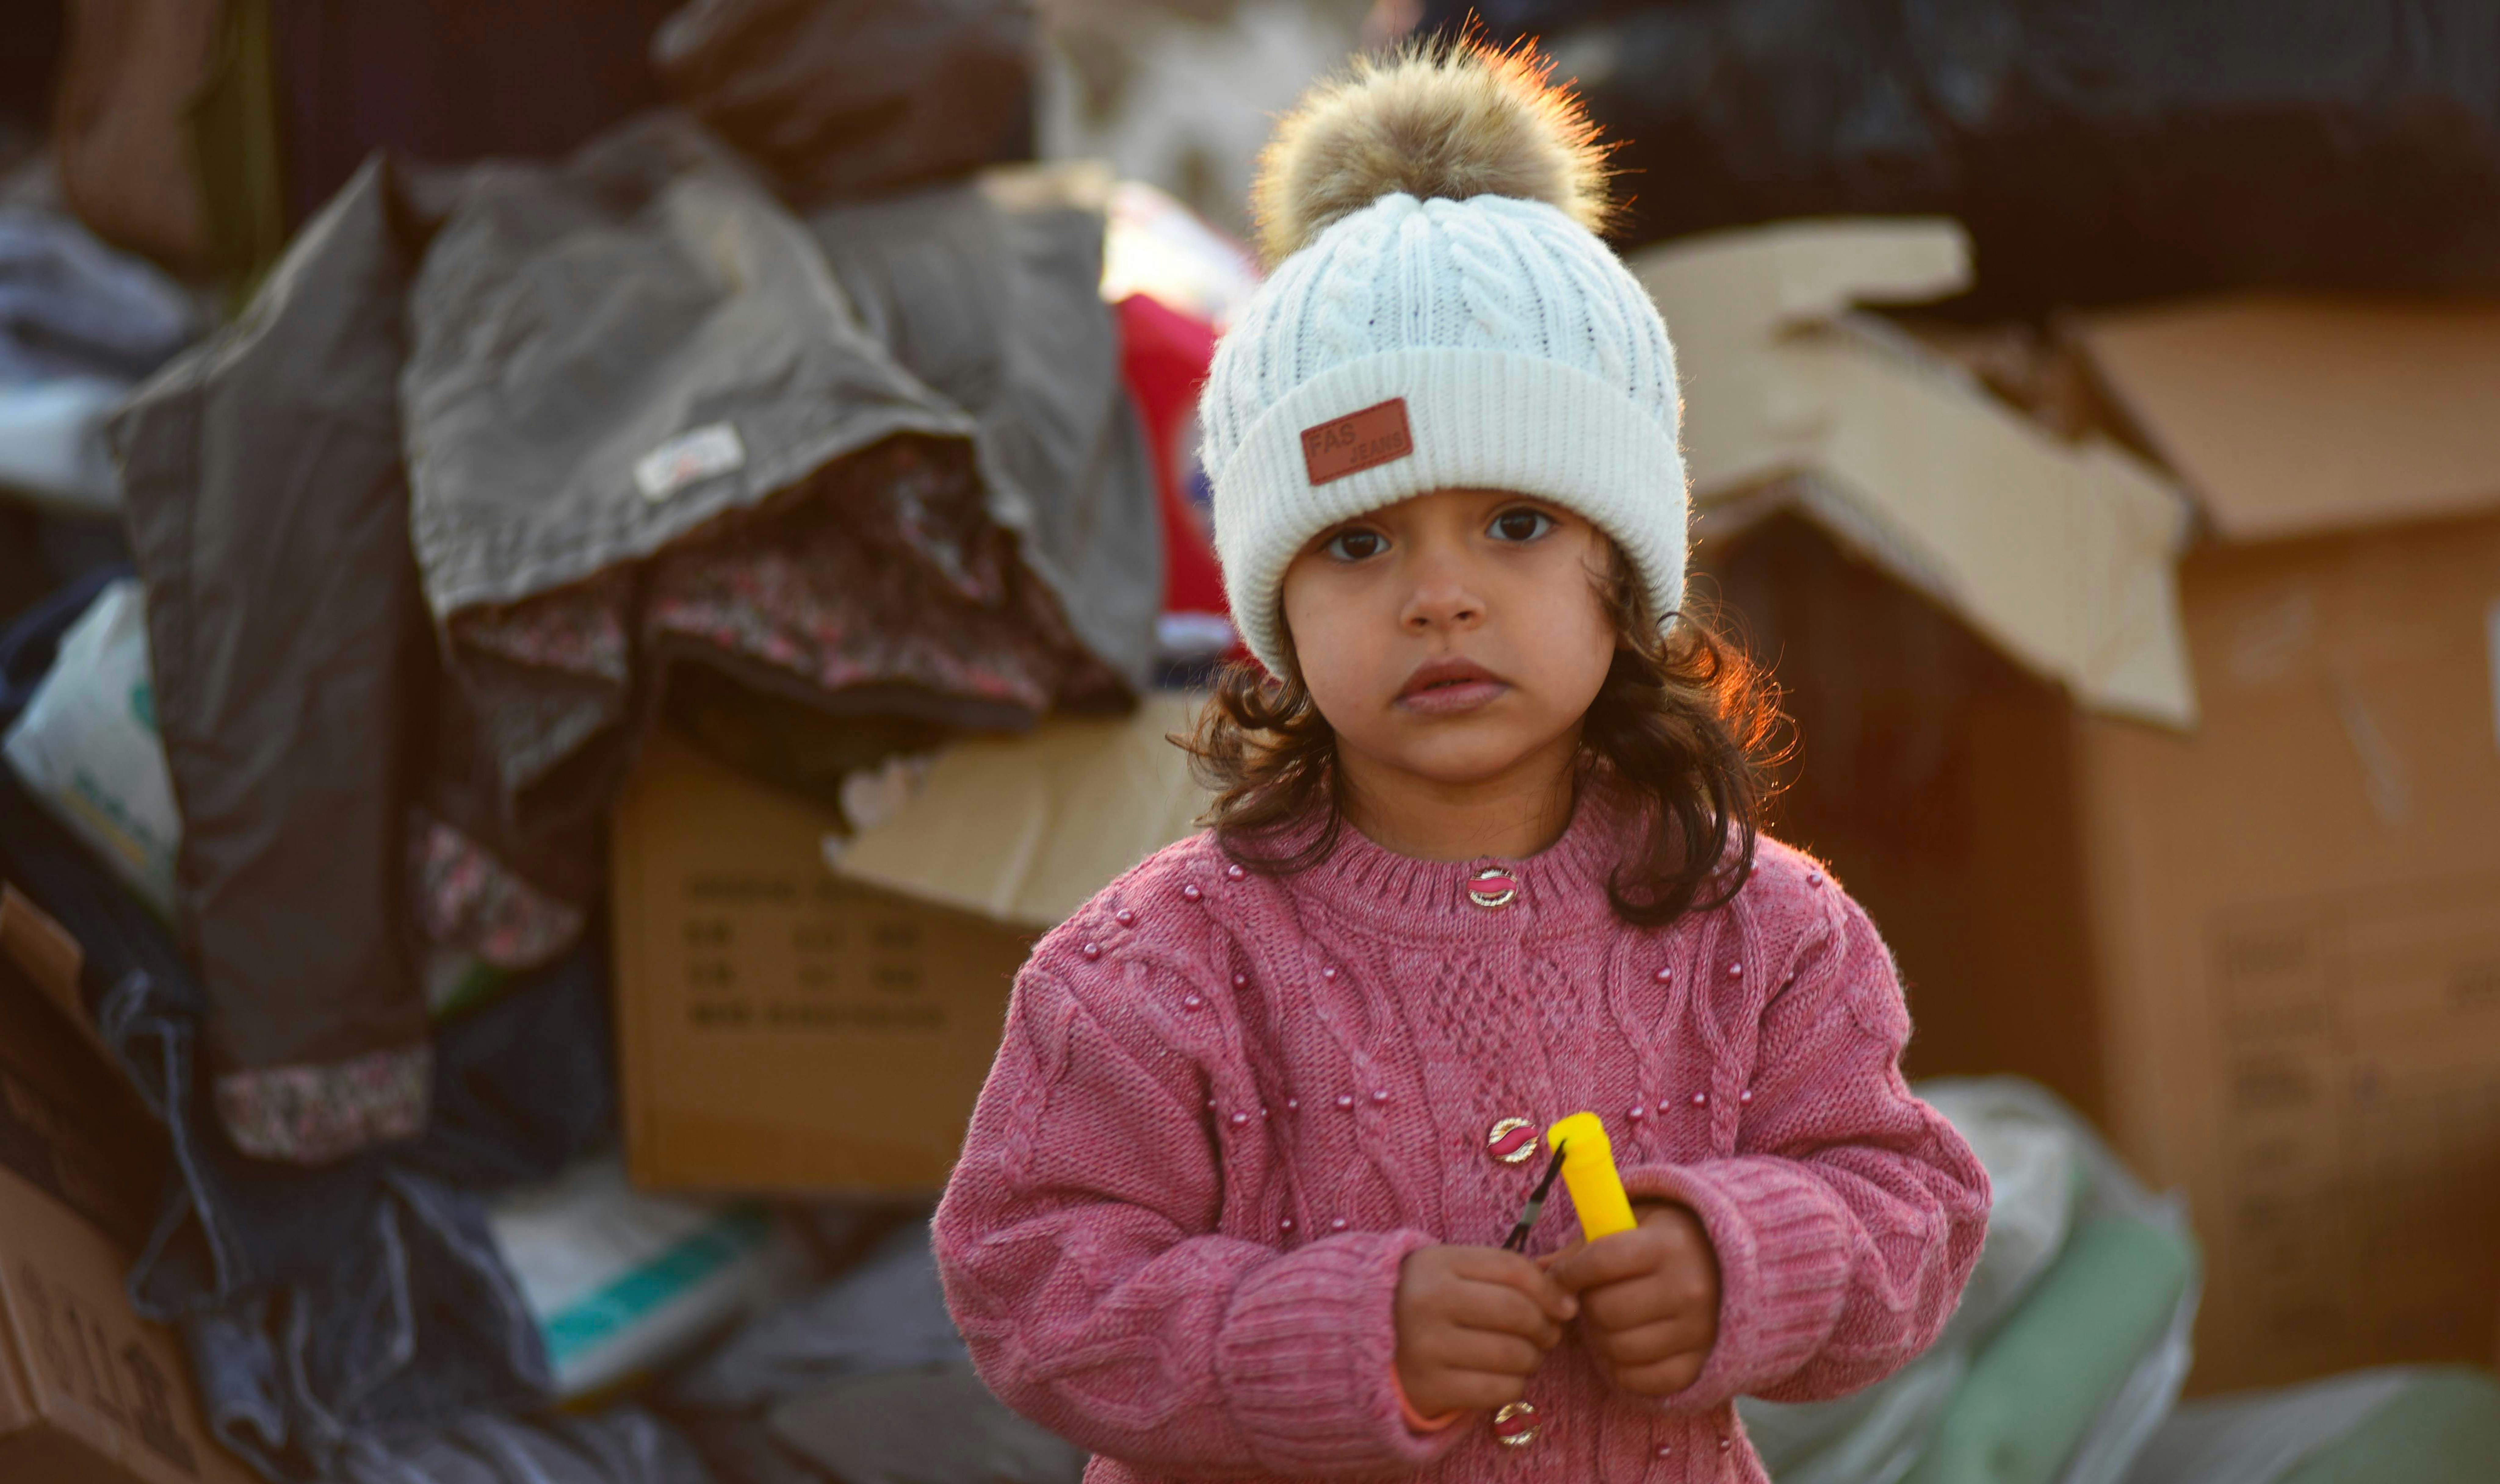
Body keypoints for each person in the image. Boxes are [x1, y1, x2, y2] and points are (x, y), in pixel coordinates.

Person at [933, 38, 1989, 1483]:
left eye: (1512, 524)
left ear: (1622, 570)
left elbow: (1909, 1203)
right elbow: (1028, 1283)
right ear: (1274, 606)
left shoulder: (1763, 927)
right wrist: (1326, 1335)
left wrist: (1733, 1260)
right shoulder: (1148, 971)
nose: (1439, 595)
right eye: (1359, 542)